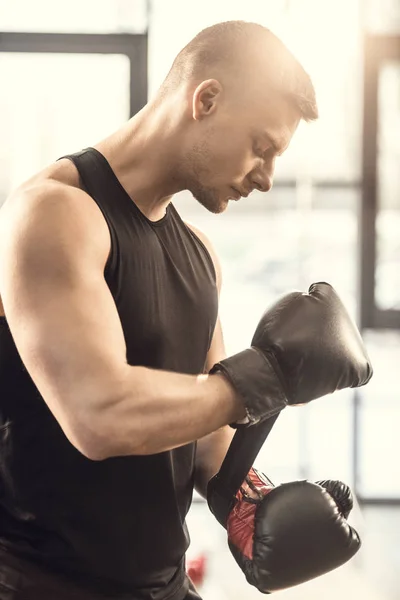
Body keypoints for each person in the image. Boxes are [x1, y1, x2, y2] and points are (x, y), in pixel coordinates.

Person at [0, 20, 370, 600]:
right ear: (207, 99)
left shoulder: (200, 255)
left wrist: (250, 503)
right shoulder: (56, 214)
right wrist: (268, 376)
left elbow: (205, 437)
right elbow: (100, 414)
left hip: (163, 584)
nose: (268, 177)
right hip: (45, 584)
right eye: (262, 147)